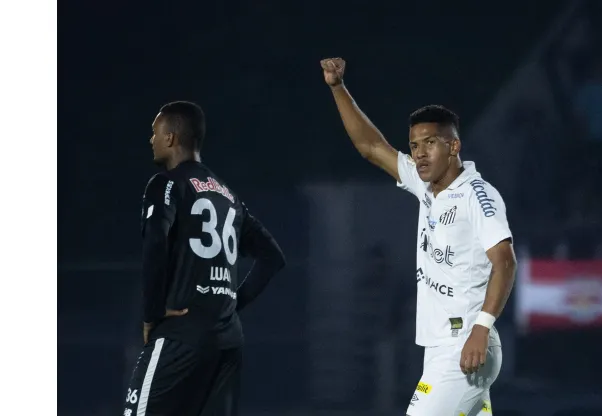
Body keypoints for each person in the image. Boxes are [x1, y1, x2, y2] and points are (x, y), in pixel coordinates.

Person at [320, 58, 517, 416]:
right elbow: (370, 147)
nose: (420, 153)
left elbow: (505, 262)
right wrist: (337, 87)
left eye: (430, 143)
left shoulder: (477, 196)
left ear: (453, 147)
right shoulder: (425, 185)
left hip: (465, 347)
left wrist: (481, 329)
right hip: (439, 349)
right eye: (414, 146)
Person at [122, 101, 286, 416]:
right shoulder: (228, 195)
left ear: (170, 137)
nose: (150, 140)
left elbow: (155, 244)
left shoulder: (166, 184)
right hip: (227, 342)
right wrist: (231, 304)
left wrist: (151, 315)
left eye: (154, 133)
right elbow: (273, 258)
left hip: (180, 334)